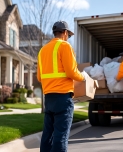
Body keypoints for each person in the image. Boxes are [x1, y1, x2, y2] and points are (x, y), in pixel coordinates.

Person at [37, 21, 85, 152]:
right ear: (64, 32)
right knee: (60, 137)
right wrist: (83, 77)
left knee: (47, 136)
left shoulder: (42, 50)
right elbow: (71, 72)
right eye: (68, 35)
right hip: (63, 97)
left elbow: (39, 77)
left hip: (49, 98)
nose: (68, 37)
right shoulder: (65, 46)